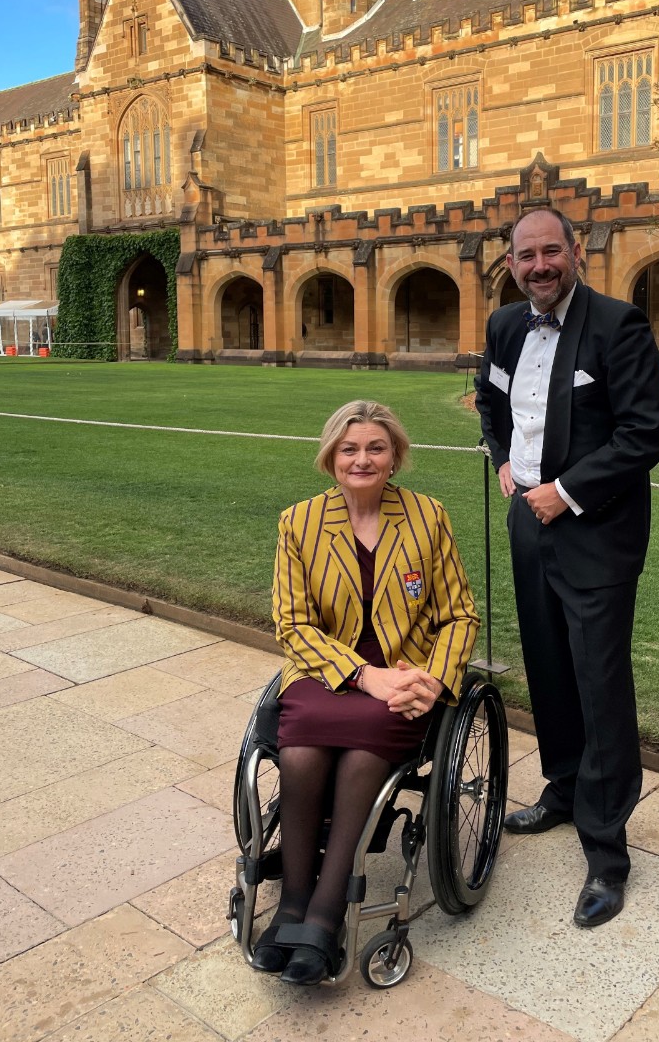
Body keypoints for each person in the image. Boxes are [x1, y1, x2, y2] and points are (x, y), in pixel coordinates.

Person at [476, 208, 659, 929]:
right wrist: (503, 459)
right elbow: (491, 400)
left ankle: (607, 853)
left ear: (576, 251)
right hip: (528, 525)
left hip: (597, 532)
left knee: (599, 684)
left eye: (550, 251)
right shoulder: (504, 325)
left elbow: (647, 431)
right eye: (526, 255)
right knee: (548, 669)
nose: (539, 265)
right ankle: (563, 790)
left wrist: (566, 491)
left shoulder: (619, 326)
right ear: (511, 262)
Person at [254, 399, 479, 984]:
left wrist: (432, 679)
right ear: (331, 457)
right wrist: (361, 675)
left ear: (394, 456)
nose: (362, 459)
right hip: (326, 673)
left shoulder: (427, 517)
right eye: (349, 448)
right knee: (300, 753)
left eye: (376, 447)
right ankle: (292, 904)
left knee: (363, 753)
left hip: (404, 675)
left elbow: (459, 616)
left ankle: (325, 912)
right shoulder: (299, 522)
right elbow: (293, 625)